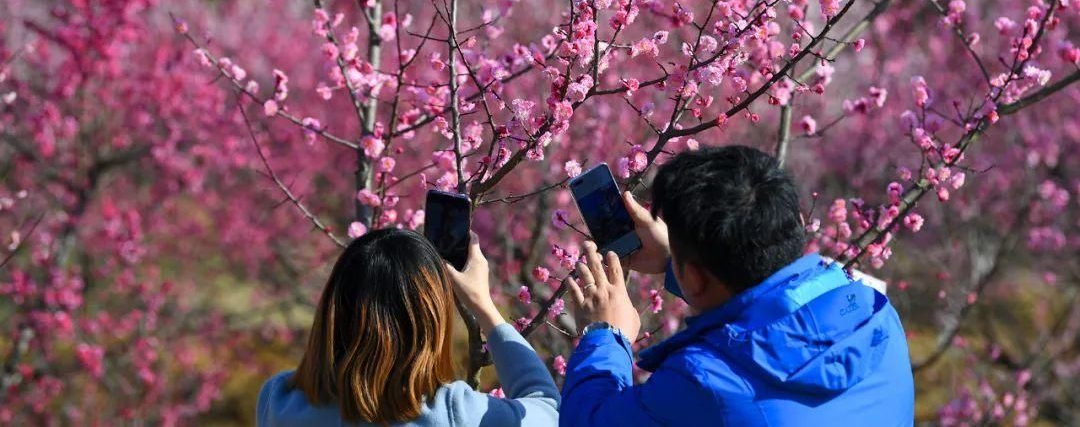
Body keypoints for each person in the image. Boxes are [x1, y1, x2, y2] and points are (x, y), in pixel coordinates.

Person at [561, 145, 915, 425]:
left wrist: (603, 334)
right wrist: (677, 260)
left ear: (696, 278)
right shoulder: (875, 311)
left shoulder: (704, 381)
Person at [257, 228, 559, 426]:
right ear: (429, 321)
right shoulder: (453, 413)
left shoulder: (278, 401)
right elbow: (547, 409)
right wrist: (484, 306)